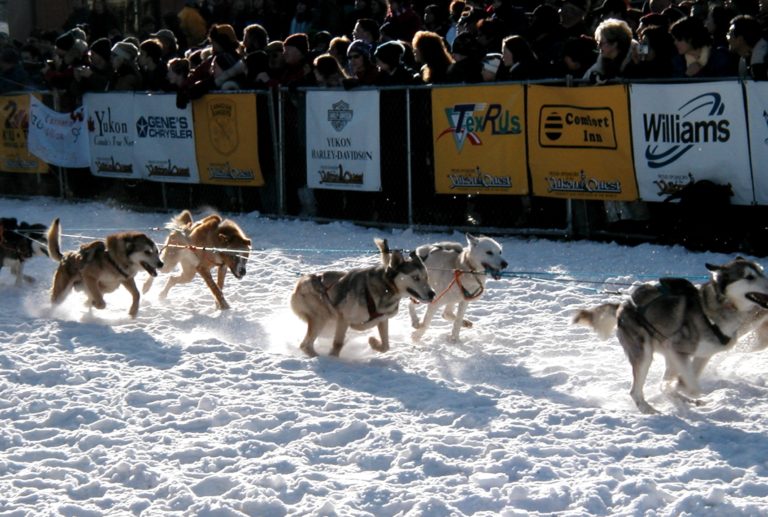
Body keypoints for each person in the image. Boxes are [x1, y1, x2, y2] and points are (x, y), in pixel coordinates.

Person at [670, 15, 736, 77]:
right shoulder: (678, 62)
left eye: (679, 39)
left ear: (691, 38)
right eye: (674, 39)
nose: (675, 43)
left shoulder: (720, 56)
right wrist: (687, 75)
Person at [583, 17, 637, 83]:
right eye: (597, 43)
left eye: (601, 43)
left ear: (614, 44)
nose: (598, 47)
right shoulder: (598, 67)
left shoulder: (636, 61)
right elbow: (582, 83)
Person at [728, 14, 768, 79]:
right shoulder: (746, 59)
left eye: (729, 35)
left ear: (740, 39)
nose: (727, 38)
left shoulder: (761, 61)